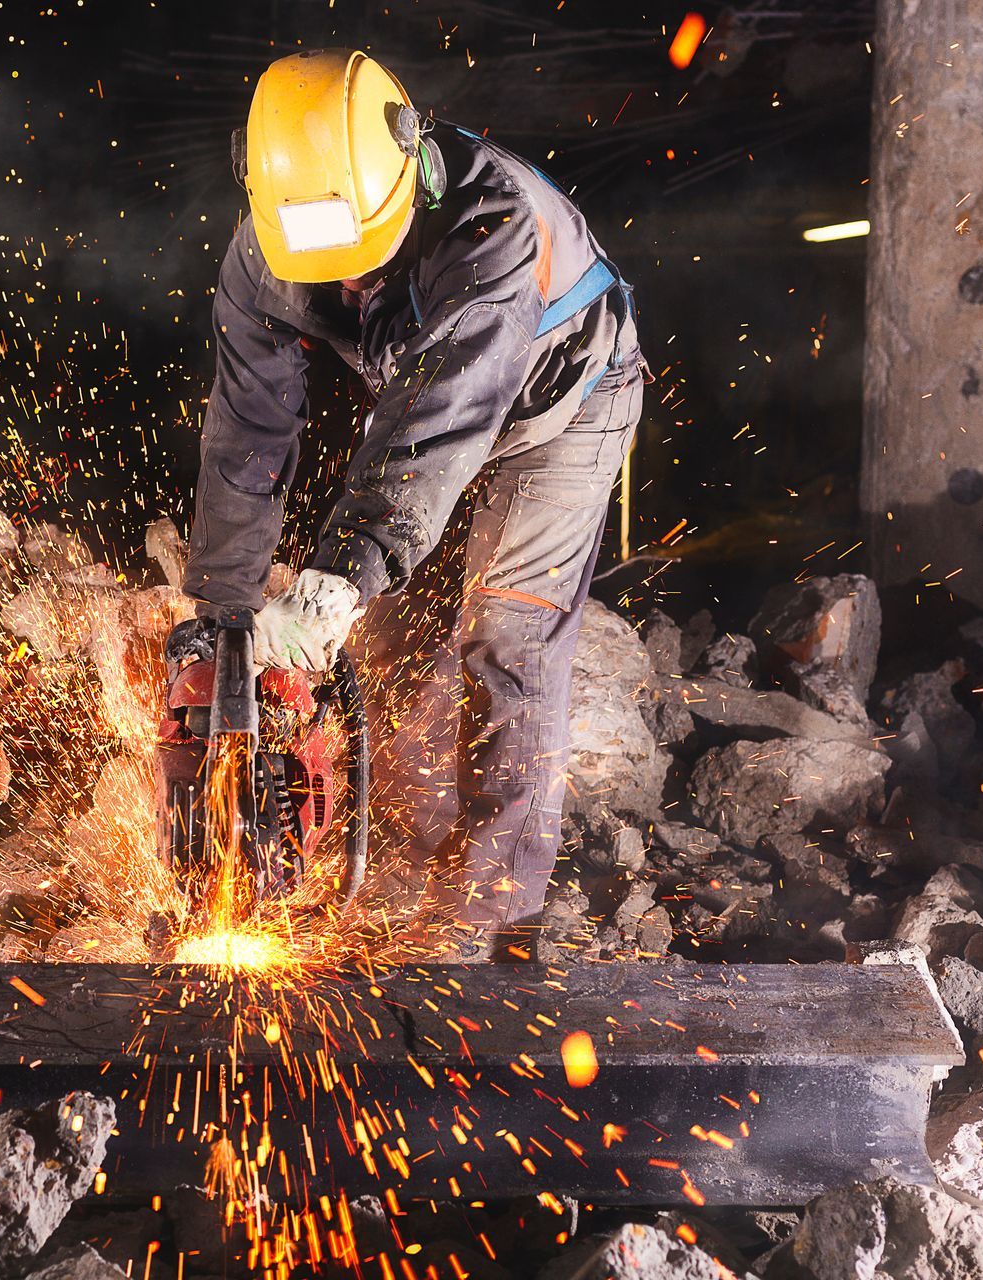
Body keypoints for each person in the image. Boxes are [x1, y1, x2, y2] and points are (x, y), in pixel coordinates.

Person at [180, 49, 646, 960]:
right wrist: (225, 610)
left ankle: (483, 916)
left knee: (503, 644)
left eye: (365, 264)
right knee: (390, 652)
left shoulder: (492, 225)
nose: (347, 288)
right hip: (424, 401)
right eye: (330, 275)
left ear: (409, 176)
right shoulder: (262, 253)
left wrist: (336, 579)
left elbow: (437, 426)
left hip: (564, 408)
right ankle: (400, 871)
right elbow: (246, 432)